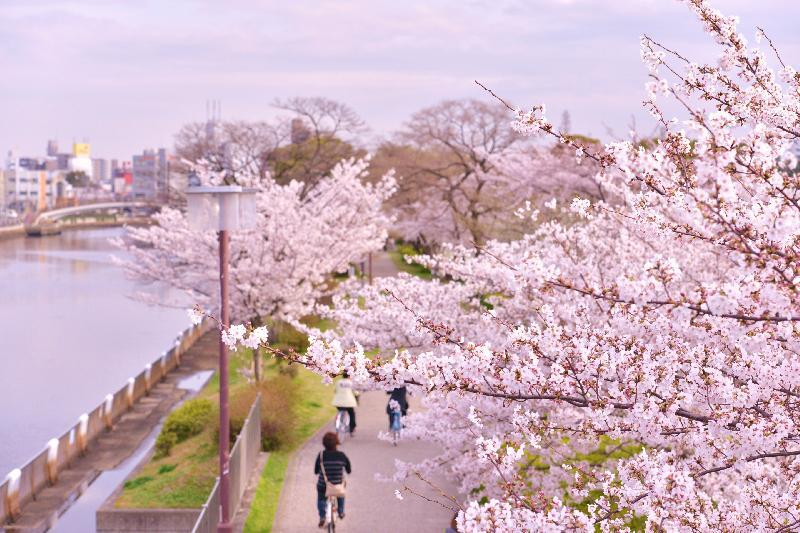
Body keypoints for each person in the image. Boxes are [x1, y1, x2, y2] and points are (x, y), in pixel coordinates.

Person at [314, 432, 352, 528]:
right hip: (338, 484)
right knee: (341, 493)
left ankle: (322, 516)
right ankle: (341, 511)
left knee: (321, 498)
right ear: (336, 443)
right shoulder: (342, 455)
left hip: (324, 485)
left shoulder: (321, 455)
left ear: (324, 443)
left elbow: (315, 471)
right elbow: (349, 470)